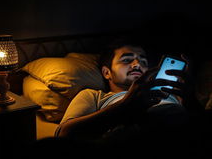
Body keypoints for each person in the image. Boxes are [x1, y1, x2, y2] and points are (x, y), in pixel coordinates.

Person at [55, 38, 201, 142]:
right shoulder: (93, 95)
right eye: (126, 60)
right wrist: (125, 107)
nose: (137, 64)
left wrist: (190, 99)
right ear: (107, 72)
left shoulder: (169, 92)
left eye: (143, 61)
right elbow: (64, 135)